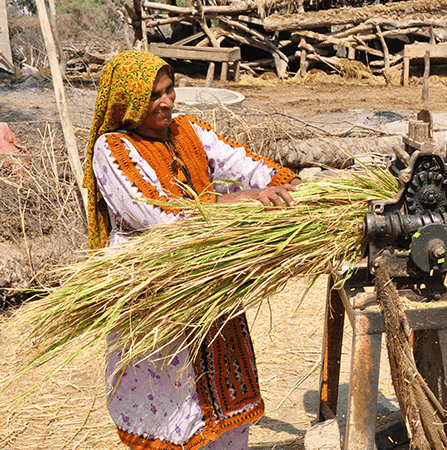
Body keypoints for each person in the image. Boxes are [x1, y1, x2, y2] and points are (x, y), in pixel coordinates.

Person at [84, 49, 302, 450]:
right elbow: (159, 213)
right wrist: (241, 200)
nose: (167, 101)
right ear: (128, 102)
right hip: (155, 291)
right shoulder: (112, 149)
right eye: (154, 95)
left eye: (170, 90)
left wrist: (284, 183)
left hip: (207, 282)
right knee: (174, 403)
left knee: (224, 402)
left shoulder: (187, 129)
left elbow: (239, 160)